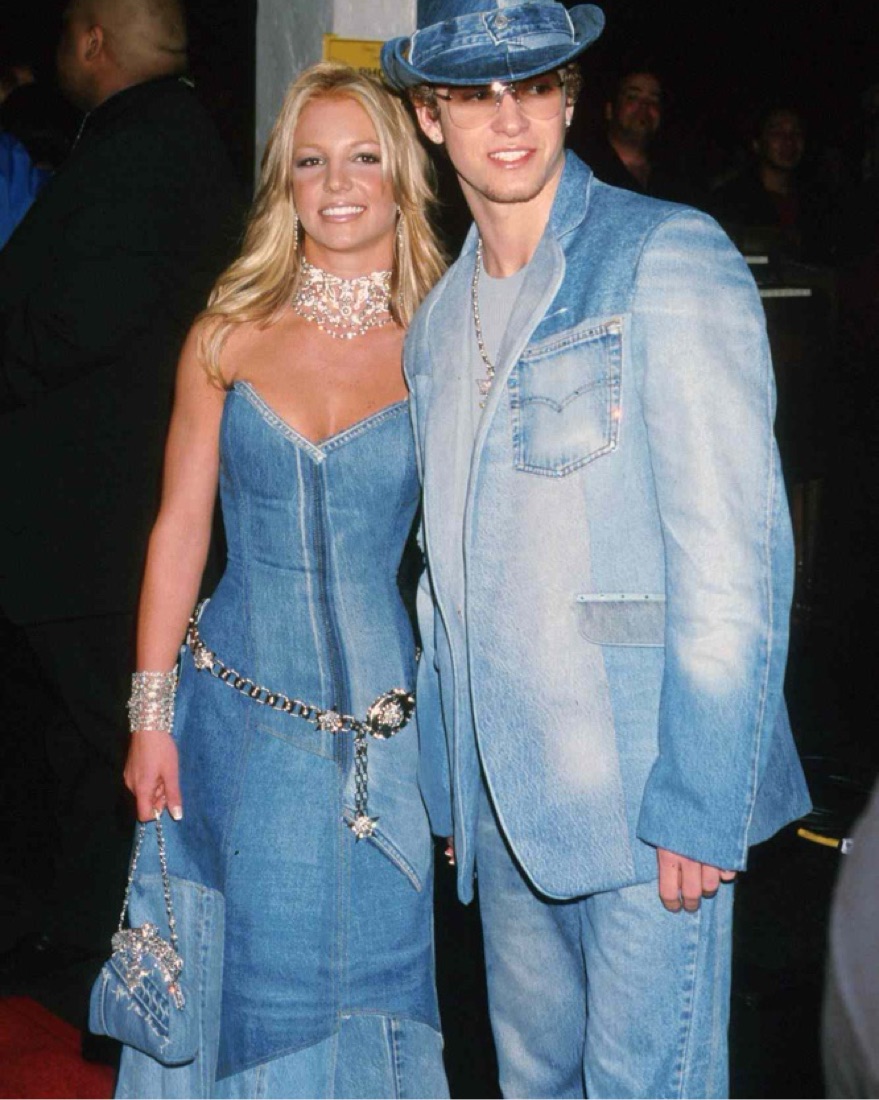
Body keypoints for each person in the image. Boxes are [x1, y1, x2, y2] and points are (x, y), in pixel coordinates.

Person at [381, 2, 811, 1097]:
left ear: (569, 96)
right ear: (429, 117)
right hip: (504, 807)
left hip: (645, 796)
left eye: (533, 85)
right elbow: (445, 577)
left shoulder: (664, 253)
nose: (508, 118)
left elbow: (734, 558)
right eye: (474, 93)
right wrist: (451, 781)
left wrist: (703, 797)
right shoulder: (432, 328)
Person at [115, 61, 448, 1098]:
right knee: (256, 980)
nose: (337, 183)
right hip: (238, 720)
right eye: (311, 162)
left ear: (401, 177)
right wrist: (150, 715)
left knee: (380, 972)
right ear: (284, 184)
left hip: (386, 733)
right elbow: (179, 529)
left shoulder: (446, 342)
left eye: (363, 158)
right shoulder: (226, 335)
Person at [0, 0, 242, 968]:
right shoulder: (159, 136)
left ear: (92, 40)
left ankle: (140, 960)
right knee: (87, 756)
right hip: (98, 532)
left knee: (121, 753)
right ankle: (84, 947)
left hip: (99, 534)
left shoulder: (147, 146)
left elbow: (80, 319)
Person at [583, 67, 696, 204]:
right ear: (610, 110)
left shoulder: (676, 174)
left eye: (653, 100)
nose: (644, 106)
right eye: (632, 97)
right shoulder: (583, 169)